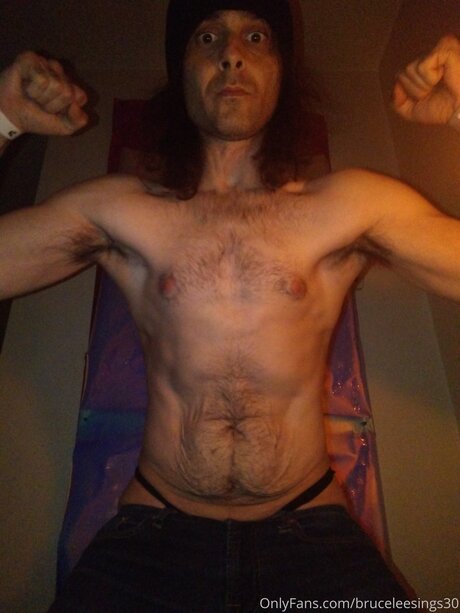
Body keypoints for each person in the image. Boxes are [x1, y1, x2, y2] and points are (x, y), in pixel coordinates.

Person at [0, 0, 459, 610]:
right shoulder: (123, 210)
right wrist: (3, 119)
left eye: (256, 37)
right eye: (208, 37)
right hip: (150, 541)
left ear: (281, 70)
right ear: (181, 71)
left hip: (315, 537)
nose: (232, 54)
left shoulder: (349, 206)